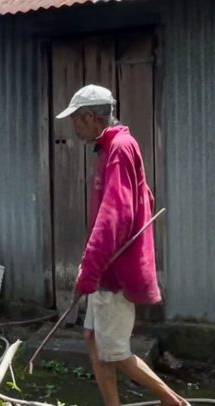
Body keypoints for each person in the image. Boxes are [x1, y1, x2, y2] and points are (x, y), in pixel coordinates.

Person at [56, 84, 185, 406]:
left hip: (113, 271)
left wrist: (90, 269)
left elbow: (115, 215)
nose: (73, 126)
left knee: (115, 352)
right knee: (92, 337)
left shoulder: (120, 148)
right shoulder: (111, 147)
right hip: (106, 268)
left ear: (91, 117)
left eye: (76, 119)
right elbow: (142, 198)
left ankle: (174, 402)